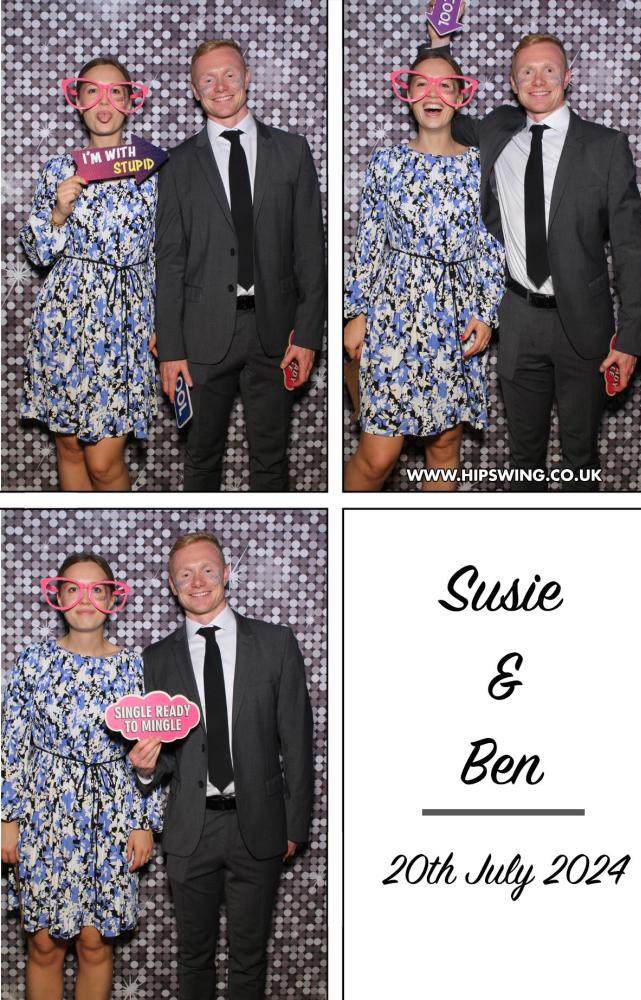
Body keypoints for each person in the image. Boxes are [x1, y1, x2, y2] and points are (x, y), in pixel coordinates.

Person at [426, 20, 641, 490]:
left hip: (584, 325)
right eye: (526, 72)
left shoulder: (606, 147)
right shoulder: (497, 130)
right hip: (518, 319)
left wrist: (630, 340)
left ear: (567, 77)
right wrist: (439, 45)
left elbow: (631, 250)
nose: (538, 80)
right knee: (523, 457)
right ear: (513, 83)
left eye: (549, 69)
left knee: (580, 456)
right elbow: (441, 105)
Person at [129, 531, 313, 999]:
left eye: (208, 570)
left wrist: (295, 825)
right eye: (185, 574)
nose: (198, 582)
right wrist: (146, 767)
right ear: (172, 586)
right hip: (191, 830)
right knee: (194, 957)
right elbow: (166, 757)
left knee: (249, 958)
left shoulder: (275, 643)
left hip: (261, 824)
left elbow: (297, 741)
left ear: (227, 573)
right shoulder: (156, 659)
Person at [155, 40, 326, 492]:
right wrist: (171, 348)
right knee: (201, 459)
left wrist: (308, 335)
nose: (221, 86)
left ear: (247, 78)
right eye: (208, 79)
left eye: (229, 74)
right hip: (200, 336)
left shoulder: (292, 151)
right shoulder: (176, 165)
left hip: (276, 335)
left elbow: (311, 252)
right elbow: (169, 262)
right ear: (195, 91)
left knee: (272, 459)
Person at [1, 553, 162, 1000]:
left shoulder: (136, 668)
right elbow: (11, 744)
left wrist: (144, 822)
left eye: (97, 590)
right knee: (44, 945)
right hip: (43, 815)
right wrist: (7, 818)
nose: (85, 600)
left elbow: (152, 753)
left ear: (112, 599)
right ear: (58, 597)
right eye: (73, 589)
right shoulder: (32, 662)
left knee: (95, 943)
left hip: (112, 815)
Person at [344, 50, 505, 491]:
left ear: (460, 97)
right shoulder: (386, 162)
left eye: (445, 85)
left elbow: (492, 244)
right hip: (393, 316)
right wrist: (356, 313)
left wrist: (487, 312)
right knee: (378, 457)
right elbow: (369, 242)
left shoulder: (481, 167)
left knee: (445, 446)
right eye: (422, 84)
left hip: (457, 316)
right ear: (408, 94)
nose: (433, 94)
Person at [20, 58, 159, 492]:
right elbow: (38, 253)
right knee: (69, 447)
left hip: (126, 322)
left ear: (130, 101)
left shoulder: (152, 168)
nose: (104, 102)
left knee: (103, 462)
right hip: (65, 318)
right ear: (77, 101)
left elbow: (168, 253)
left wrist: (165, 321)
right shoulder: (59, 169)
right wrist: (58, 214)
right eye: (92, 92)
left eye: (115, 92)